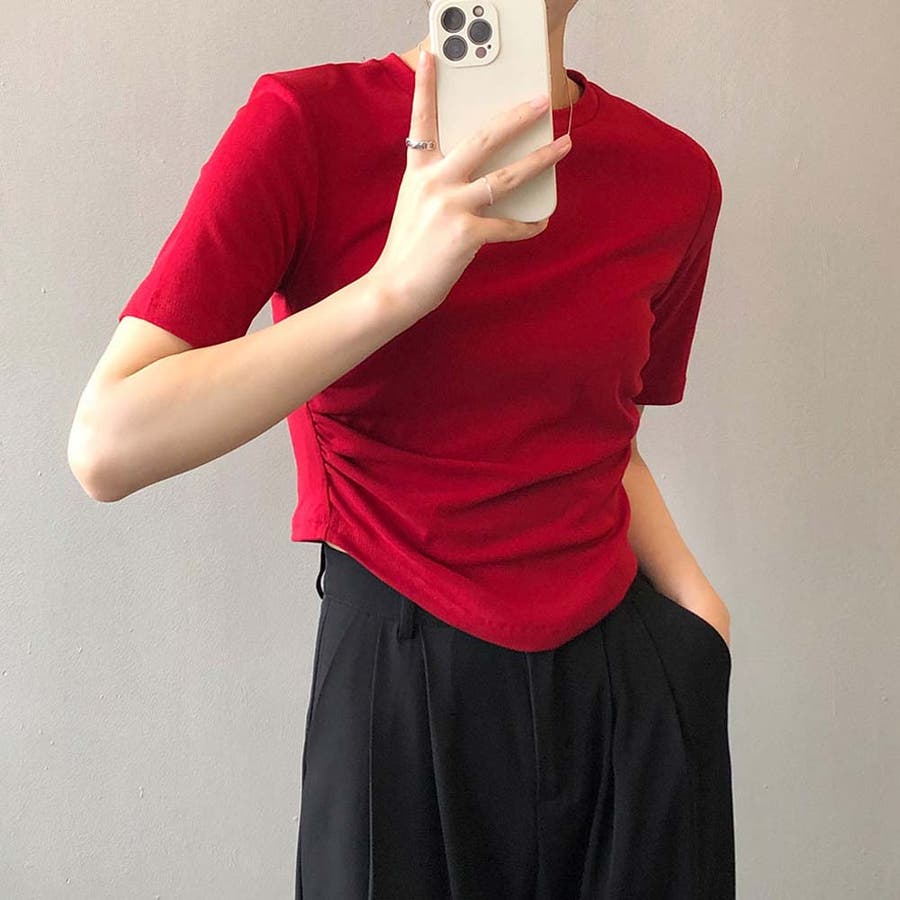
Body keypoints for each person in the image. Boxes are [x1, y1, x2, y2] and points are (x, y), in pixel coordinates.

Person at [68, 0, 734, 896]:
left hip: (623, 683)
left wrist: (698, 616)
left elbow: (603, 432)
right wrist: (394, 289)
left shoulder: (673, 177)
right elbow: (107, 444)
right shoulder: (306, 127)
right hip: (399, 677)